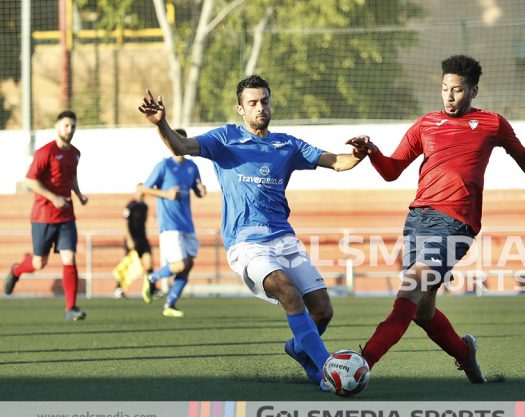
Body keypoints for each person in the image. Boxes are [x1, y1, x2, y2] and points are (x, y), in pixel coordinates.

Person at [138, 75, 367, 391]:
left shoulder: (287, 145)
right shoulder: (225, 139)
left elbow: (338, 162)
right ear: (240, 109)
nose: (260, 107)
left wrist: (361, 153)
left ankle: (298, 350)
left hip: (283, 238)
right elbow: (182, 145)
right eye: (253, 103)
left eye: (265, 101)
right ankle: (327, 368)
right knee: (287, 291)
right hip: (245, 242)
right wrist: (161, 124)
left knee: (323, 311)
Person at [349, 55, 525, 383]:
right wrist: (373, 154)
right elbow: (392, 171)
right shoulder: (426, 124)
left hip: (455, 224)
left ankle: (362, 363)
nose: (449, 96)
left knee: (408, 293)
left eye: (458, 90)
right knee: (422, 311)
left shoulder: (492, 124)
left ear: (474, 90)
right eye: (445, 89)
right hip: (417, 221)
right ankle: (466, 355)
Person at [3, 111, 89, 321]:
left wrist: (78, 194)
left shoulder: (75, 153)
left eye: (73, 126)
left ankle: (71, 309)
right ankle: (16, 271)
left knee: (69, 257)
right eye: (66, 126)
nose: (70, 130)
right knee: (39, 263)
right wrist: (53, 198)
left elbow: (72, 176)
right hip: (43, 216)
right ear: (57, 127)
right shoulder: (45, 152)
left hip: (67, 216)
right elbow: (30, 181)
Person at [137, 129, 206, 318]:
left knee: (189, 264)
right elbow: (141, 188)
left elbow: (198, 190)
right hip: (169, 225)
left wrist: (201, 190)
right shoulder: (164, 165)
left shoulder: (192, 167)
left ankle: (170, 303)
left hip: (187, 224)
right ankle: (152, 278)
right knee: (179, 265)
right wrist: (165, 194)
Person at [112, 185, 155, 299]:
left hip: (143, 239)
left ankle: (152, 288)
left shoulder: (145, 206)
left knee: (149, 262)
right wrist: (129, 240)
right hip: (132, 240)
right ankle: (118, 288)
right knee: (128, 265)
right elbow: (125, 224)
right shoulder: (131, 206)